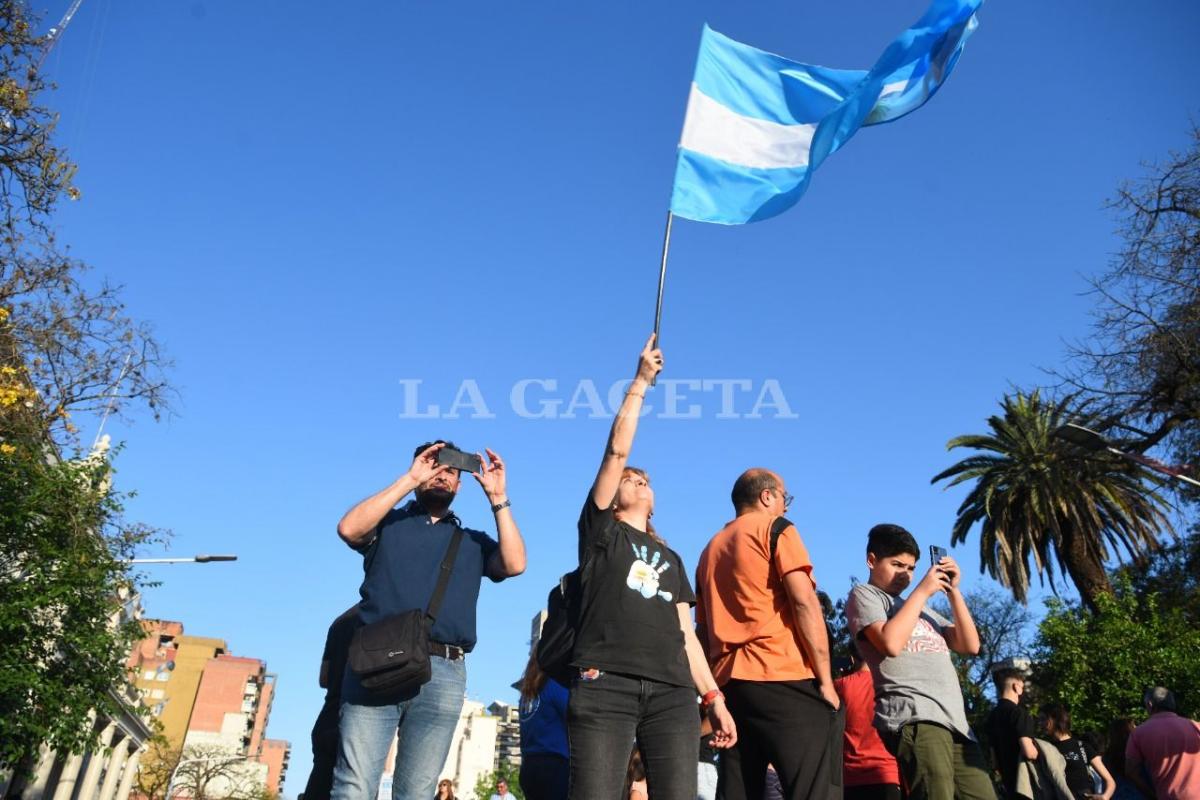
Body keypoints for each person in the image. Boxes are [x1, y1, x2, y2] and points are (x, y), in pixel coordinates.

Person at [567, 334, 735, 800]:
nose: (638, 481)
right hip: (606, 684)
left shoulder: (673, 560)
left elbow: (687, 636)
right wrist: (640, 382)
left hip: (673, 694)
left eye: (645, 480)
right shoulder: (602, 534)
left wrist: (713, 697)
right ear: (614, 496)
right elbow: (615, 452)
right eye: (629, 480)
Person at [331, 440, 526, 800]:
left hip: (444, 670)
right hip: (376, 661)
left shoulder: (471, 541)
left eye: (451, 470)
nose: (442, 475)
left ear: (460, 485)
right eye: (434, 466)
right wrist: (409, 478)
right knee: (354, 785)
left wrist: (499, 498)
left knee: (418, 791)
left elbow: (514, 564)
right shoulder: (387, 524)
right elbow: (348, 528)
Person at [694, 468, 840, 800]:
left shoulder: (709, 550)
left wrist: (710, 695)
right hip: (780, 673)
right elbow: (803, 602)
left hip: (731, 686)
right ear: (767, 496)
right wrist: (826, 681)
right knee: (815, 787)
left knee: (738, 789)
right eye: (784, 498)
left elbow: (702, 631)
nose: (787, 507)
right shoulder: (776, 528)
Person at [843, 524, 995, 800]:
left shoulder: (921, 609)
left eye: (911, 568)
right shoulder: (865, 595)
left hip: (956, 723)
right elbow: (889, 643)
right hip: (915, 715)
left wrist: (952, 592)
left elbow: (970, 645)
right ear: (872, 560)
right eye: (897, 564)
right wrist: (923, 591)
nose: (906, 574)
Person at [302, 604, 362, 800]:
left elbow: (324, 678)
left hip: (329, 717)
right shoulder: (380, 615)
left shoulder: (339, 622)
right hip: (360, 719)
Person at [835, 642, 901, 800]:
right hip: (888, 775)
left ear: (852, 658)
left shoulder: (839, 686)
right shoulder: (890, 685)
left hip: (851, 778)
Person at [1124, 687, 1200, 800]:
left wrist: (1151, 794)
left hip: (1167, 796)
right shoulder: (1195, 726)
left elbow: (1131, 771)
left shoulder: (1139, 733)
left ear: (1150, 704)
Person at [518, 650, 569, 800]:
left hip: (529, 765)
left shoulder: (527, 694)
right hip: (554, 767)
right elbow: (576, 714)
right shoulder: (554, 685)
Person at [1038, 703, 1114, 800]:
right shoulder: (1046, 748)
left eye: (1043, 719)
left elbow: (1109, 780)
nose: (1040, 723)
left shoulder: (1081, 746)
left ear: (1056, 719)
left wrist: (1105, 796)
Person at [985, 665, 1039, 800]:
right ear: (1016, 687)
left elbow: (994, 761)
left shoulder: (992, 717)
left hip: (1008, 784)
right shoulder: (1018, 713)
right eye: (1022, 685)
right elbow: (1029, 752)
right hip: (1026, 782)